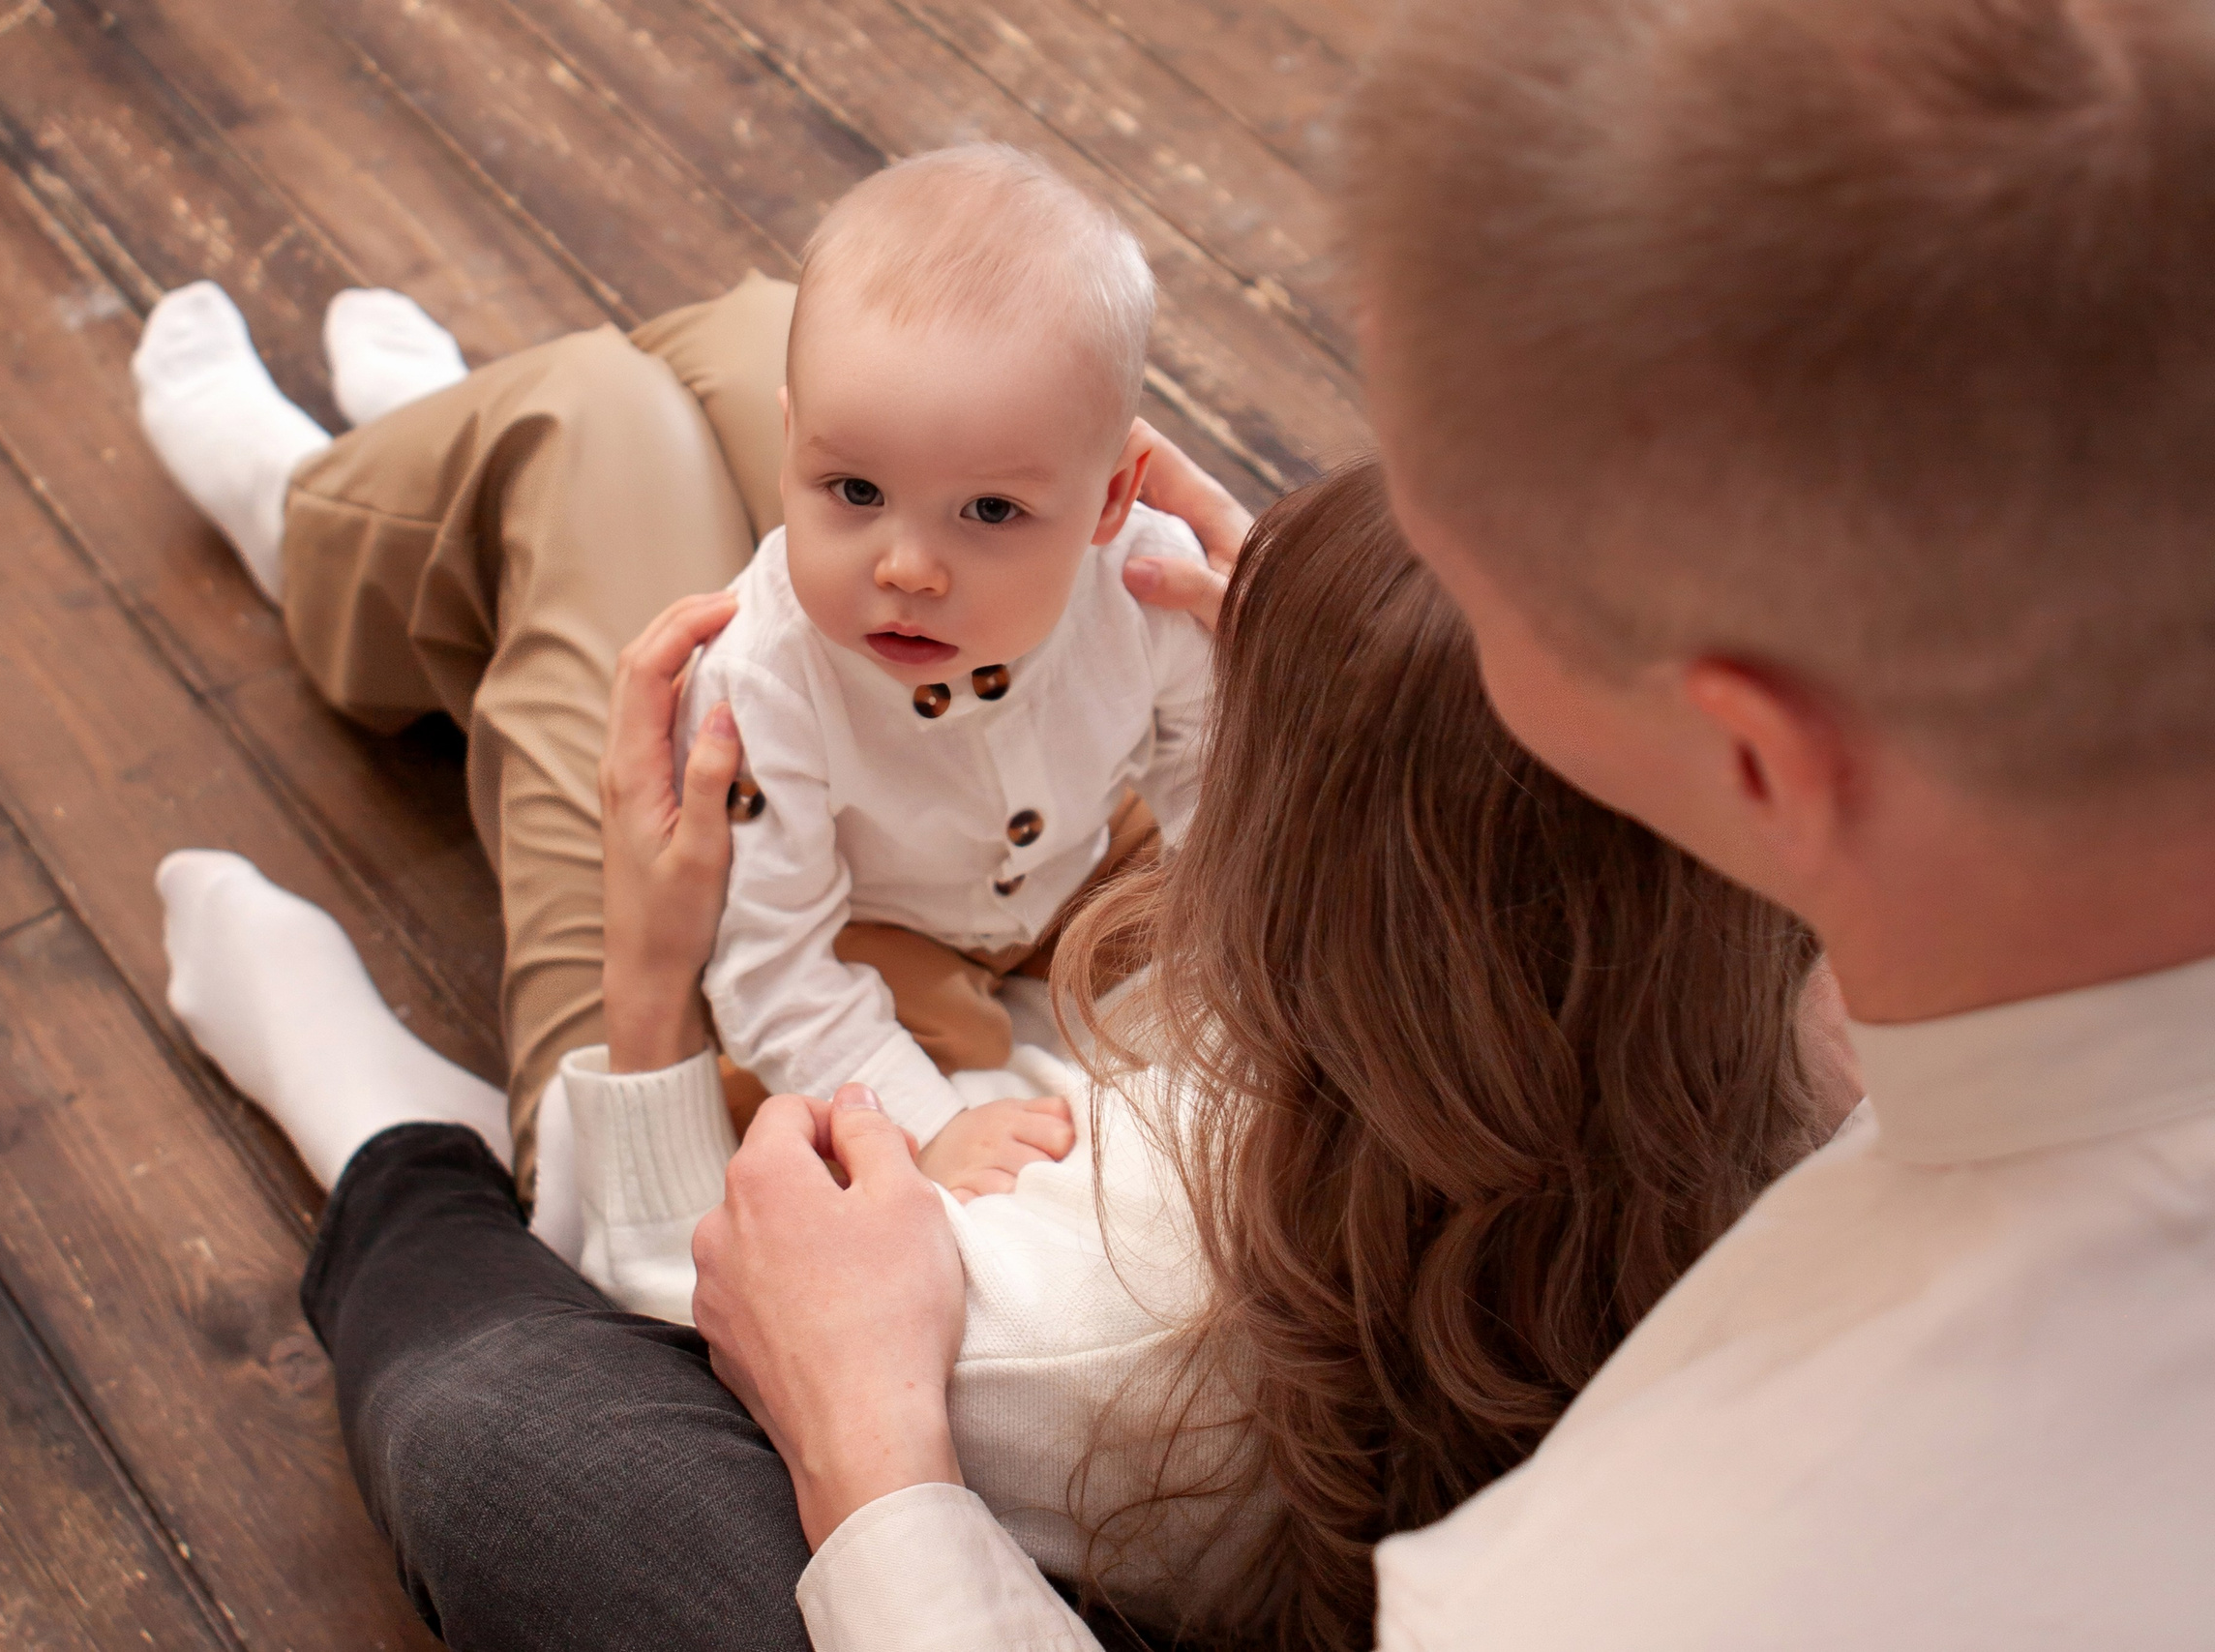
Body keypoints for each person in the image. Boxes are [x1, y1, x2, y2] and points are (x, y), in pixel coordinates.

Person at [694, 0, 2215, 1646]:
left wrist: (877, 1467)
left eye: (1444, 565)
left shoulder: (1598, 1580)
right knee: (748, 344)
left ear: (1753, 760)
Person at [154, 456, 1845, 1642]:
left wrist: (653, 964)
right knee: (802, 390)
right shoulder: (1815, 1050)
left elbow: (675, 1262)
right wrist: (1390, 674)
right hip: (1006, 1027)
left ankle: (392, 1118)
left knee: (591, 445)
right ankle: (353, 519)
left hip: (833, 1118)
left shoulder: (1071, 1319)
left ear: (1261, 880)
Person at [673, 146, 1211, 1159]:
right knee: (929, 1048)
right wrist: (934, 1130)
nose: (910, 569)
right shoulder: (762, 680)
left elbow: (1208, 762)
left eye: (991, 510)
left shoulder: (1148, 583)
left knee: (1229, 908)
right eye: (856, 492)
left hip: (1077, 857)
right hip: (877, 934)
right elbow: (771, 964)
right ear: (790, 446)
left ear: (1108, 498)